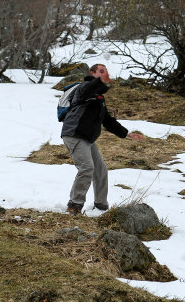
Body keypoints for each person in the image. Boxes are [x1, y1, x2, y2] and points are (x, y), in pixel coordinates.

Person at [61, 63, 143, 215]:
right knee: (87, 167)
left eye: (106, 71)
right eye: (101, 71)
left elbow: (108, 121)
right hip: (74, 134)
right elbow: (88, 88)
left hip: (86, 138)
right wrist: (99, 81)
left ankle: (101, 206)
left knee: (100, 170)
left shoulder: (99, 98)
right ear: (92, 73)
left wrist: (127, 134)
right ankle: (74, 205)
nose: (104, 74)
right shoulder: (83, 88)